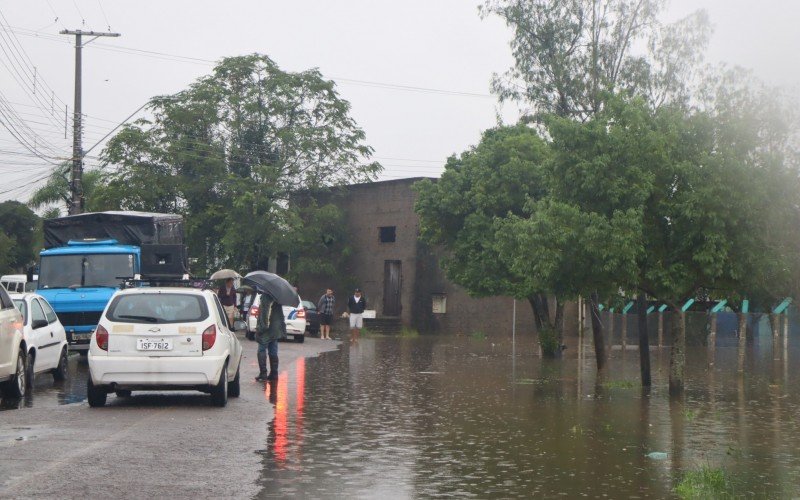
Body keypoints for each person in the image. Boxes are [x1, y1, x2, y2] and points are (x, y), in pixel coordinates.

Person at [255, 293, 285, 382]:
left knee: (261, 350)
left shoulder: (265, 297)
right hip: (275, 329)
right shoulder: (277, 297)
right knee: (273, 350)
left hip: (267, 330)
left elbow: (265, 314)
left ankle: (263, 373)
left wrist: (261, 328)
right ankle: (274, 373)